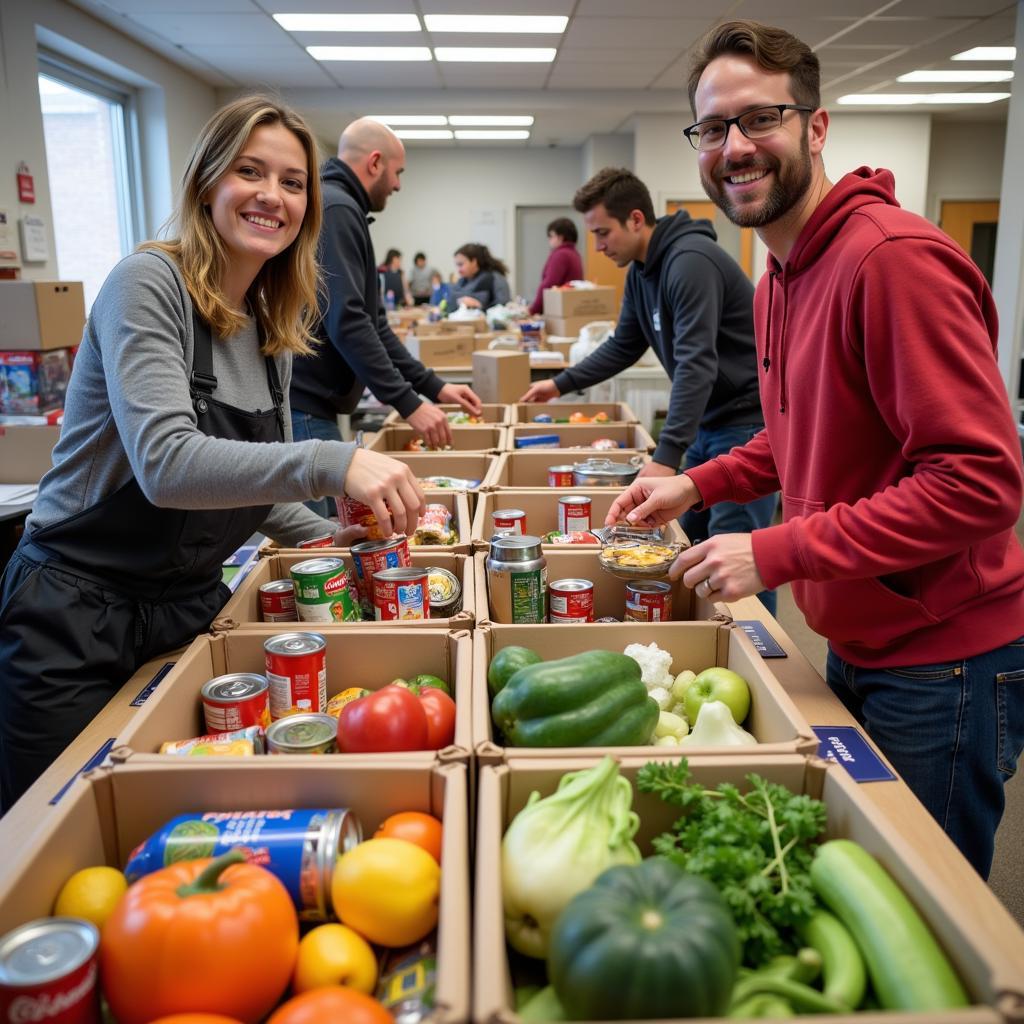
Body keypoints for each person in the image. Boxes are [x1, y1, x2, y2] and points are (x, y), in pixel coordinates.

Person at [607, 20, 1024, 878]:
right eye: (714, 128)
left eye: (760, 119)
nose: (734, 146)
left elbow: (980, 482)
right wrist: (694, 484)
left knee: (925, 898)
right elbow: (798, 435)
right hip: (860, 631)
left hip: (946, 655)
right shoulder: (780, 275)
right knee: (862, 864)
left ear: (815, 126)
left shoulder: (890, 262)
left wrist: (779, 549)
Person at [0, 96, 427, 811]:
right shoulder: (148, 285)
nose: (273, 195)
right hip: (75, 620)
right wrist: (331, 461)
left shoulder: (269, 315)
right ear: (207, 182)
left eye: (293, 183)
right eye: (250, 171)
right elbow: (167, 465)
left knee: (176, 818)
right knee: (59, 827)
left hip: (185, 611)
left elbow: (250, 479)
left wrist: (328, 538)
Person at [520, 167, 776, 610]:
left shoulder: (689, 262)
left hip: (747, 425)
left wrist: (665, 457)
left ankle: (762, 658)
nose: (598, 246)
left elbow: (697, 363)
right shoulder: (642, 271)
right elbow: (623, 344)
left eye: (603, 232)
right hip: (707, 425)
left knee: (737, 560)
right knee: (682, 548)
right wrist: (560, 384)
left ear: (636, 219)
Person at [289, 117, 481, 515]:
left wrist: (434, 387)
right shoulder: (338, 207)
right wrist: (409, 404)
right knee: (323, 541)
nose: (397, 184)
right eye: (398, 172)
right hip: (305, 405)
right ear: (375, 162)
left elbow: (374, 323)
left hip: (314, 404)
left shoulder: (343, 208)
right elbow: (348, 321)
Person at [527, 217, 583, 314]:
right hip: (570, 309)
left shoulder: (561, 255)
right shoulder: (574, 254)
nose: (549, 240)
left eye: (551, 236)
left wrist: (533, 310)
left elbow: (549, 284)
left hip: (558, 310)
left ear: (560, 237)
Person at [450, 243, 511, 310]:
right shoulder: (462, 281)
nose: (458, 270)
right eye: (457, 265)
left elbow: (504, 307)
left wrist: (478, 306)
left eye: (461, 264)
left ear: (474, 261)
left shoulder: (495, 278)